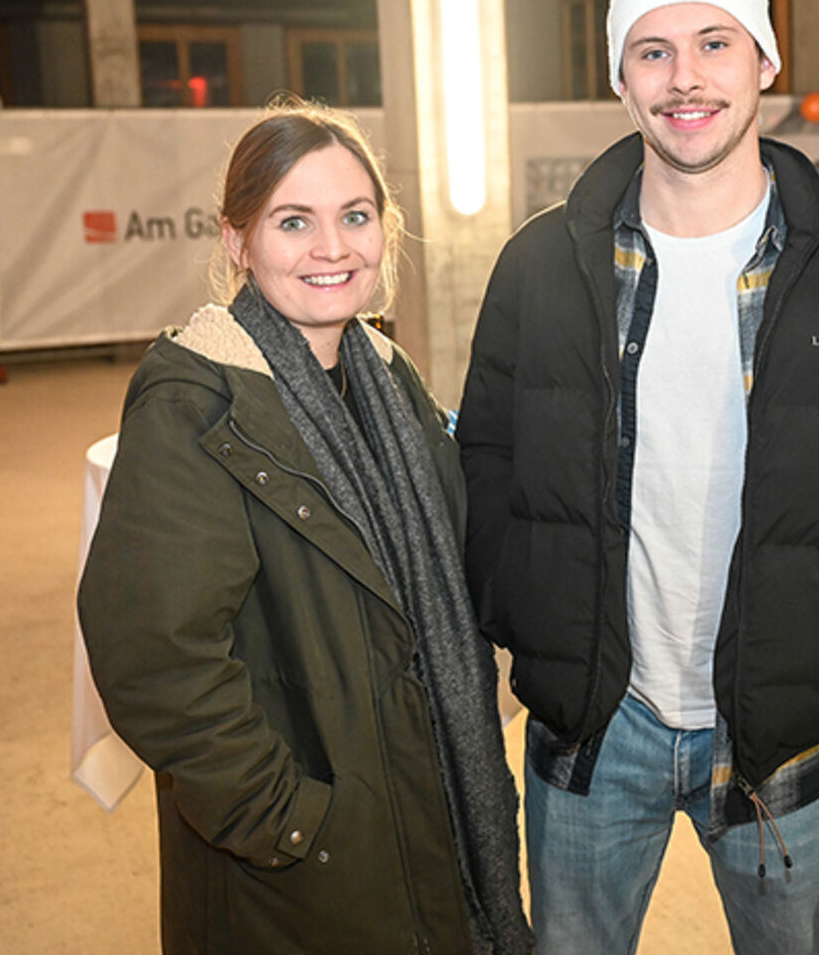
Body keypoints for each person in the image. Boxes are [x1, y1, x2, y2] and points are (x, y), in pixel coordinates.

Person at [455, 0, 819, 955]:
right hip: (592, 721)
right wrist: (524, 609)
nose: (684, 79)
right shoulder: (540, 264)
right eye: (652, 51)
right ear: (620, 80)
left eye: (713, 42)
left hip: (779, 727)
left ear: (763, 60)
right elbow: (484, 457)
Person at [77, 101, 531, 955]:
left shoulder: (389, 377)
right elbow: (154, 660)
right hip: (304, 864)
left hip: (423, 814)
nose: (333, 247)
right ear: (238, 241)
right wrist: (290, 824)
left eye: (355, 216)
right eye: (295, 221)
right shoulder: (195, 403)